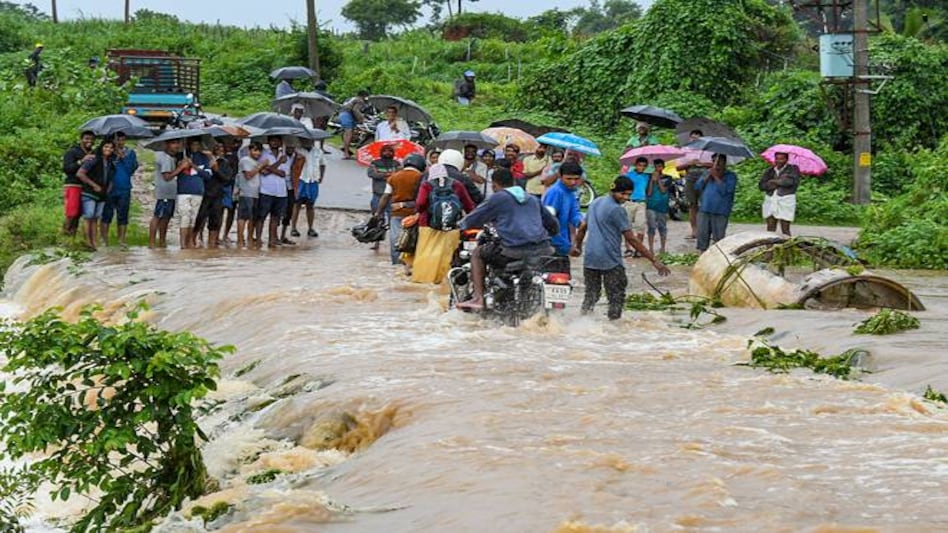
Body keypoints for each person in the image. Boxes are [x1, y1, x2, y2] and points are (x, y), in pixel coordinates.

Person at [455, 168, 560, 310]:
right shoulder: (532, 198)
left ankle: (478, 298)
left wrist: (459, 225)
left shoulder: (498, 198)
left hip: (512, 251)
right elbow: (553, 226)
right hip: (543, 250)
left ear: (494, 185)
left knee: (478, 253)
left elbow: (473, 218)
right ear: (514, 181)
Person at [571, 176, 670, 320]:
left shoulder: (595, 203)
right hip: (610, 260)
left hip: (590, 258)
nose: (626, 198)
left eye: (629, 194)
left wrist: (578, 247)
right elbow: (631, 238)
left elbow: (582, 228)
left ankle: (582, 323)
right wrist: (654, 260)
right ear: (613, 191)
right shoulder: (617, 210)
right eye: (622, 194)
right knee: (616, 297)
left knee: (591, 296)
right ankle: (614, 327)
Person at [412, 161, 476, 284]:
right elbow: (469, 205)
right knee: (448, 255)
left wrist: (421, 211)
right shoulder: (457, 184)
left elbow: (420, 203)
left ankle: (425, 280)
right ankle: (445, 281)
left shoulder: (427, 185)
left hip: (427, 225)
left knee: (426, 253)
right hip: (452, 226)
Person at [375, 153, 426, 265]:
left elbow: (385, 196)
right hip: (415, 215)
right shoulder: (421, 177)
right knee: (414, 241)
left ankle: (396, 265)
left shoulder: (393, 177)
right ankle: (411, 265)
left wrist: (378, 213)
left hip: (396, 214)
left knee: (396, 241)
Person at [542, 161, 584, 269]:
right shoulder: (555, 192)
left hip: (563, 244)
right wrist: (565, 245)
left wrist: (580, 222)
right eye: (569, 179)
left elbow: (574, 213)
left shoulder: (571, 192)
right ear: (560, 176)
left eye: (576, 179)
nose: (573, 182)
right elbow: (548, 223)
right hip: (551, 246)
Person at [75, 140, 116, 251]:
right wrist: (94, 185)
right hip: (89, 193)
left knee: (95, 218)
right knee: (88, 216)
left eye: (111, 148)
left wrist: (108, 190)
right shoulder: (93, 159)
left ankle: (94, 242)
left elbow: (111, 178)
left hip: (102, 194)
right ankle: (88, 242)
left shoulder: (111, 163)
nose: (108, 149)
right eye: (106, 146)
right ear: (101, 148)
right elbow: (80, 173)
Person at [694, 153, 738, 252]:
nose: (716, 164)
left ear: (724, 163)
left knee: (719, 237)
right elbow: (697, 187)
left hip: (721, 210)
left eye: (719, 162)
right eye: (714, 161)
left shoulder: (730, 176)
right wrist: (708, 177)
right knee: (702, 234)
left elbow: (726, 191)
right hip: (705, 208)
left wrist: (716, 177)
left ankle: (718, 255)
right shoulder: (707, 173)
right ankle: (702, 254)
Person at [100, 132, 137, 247]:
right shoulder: (108, 152)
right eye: (118, 140)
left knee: (123, 214)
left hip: (124, 187)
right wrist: (115, 157)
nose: (120, 142)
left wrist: (123, 158)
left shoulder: (130, 153)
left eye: (122, 140)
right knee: (106, 214)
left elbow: (131, 169)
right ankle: (104, 240)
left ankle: (122, 239)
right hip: (109, 188)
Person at [149, 139, 188, 249]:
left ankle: (162, 241)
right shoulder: (165, 158)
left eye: (178, 143)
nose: (177, 145)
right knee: (158, 216)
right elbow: (167, 177)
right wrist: (181, 168)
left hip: (170, 193)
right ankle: (152, 243)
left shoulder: (171, 158)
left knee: (166, 218)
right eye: (174, 143)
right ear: (167, 144)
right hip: (164, 192)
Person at [194, 143, 234, 249]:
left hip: (218, 194)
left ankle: (212, 243)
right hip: (205, 193)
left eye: (221, 148)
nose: (219, 150)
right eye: (216, 147)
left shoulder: (225, 163)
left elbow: (227, 179)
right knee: (200, 218)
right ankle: (197, 239)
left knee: (215, 220)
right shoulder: (205, 160)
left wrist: (216, 171)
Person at [177, 139, 213, 249]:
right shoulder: (180, 155)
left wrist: (193, 165)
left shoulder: (203, 158)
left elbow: (208, 176)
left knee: (193, 217)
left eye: (197, 144)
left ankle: (190, 242)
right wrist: (180, 165)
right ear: (188, 144)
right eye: (193, 143)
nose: (195, 146)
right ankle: (183, 244)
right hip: (183, 191)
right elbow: (174, 171)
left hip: (198, 191)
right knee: (184, 216)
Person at [257, 136, 289, 248]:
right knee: (261, 216)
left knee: (275, 217)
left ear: (281, 142)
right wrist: (279, 163)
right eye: (272, 140)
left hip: (281, 191)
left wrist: (269, 167)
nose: (274, 142)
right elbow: (262, 171)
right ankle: (258, 239)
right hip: (266, 190)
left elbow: (283, 174)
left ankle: (271, 241)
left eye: (277, 140)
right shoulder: (263, 154)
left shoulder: (284, 155)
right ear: (268, 141)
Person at [62, 130, 96, 237]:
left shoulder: (93, 153)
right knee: (71, 212)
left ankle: (73, 236)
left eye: (91, 139)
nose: (89, 141)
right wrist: (81, 161)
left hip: (86, 186)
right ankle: (65, 235)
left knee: (78, 213)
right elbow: (67, 168)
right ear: (81, 139)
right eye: (86, 139)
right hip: (73, 185)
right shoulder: (72, 152)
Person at [759, 151, 801, 236]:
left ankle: (787, 246)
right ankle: (770, 246)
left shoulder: (793, 169)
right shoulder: (770, 170)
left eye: (781, 159)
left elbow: (791, 182)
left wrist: (775, 181)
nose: (778, 161)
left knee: (785, 227)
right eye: (777, 158)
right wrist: (771, 185)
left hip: (785, 199)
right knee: (770, 226)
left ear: (786, 159)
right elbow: (761, 185)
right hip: (770, 199)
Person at [677, 129, 709, 240]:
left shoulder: (707, 150)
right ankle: (694, 230)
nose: (695, 139)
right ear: (689, 138)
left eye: (697, 137)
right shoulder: (685, 150)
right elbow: (678, 167)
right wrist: (690, 163)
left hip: (704, 176)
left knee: (704, 204)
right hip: (690, 176)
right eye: (693, 137)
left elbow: (714, 163)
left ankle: (704, 229)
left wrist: (702, 163)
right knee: (692, 204)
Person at [291, 139, 325, 238]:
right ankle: (293, 228)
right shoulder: (297, 151)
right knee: (297, 204)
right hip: (301, 179)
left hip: (313, 180)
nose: (308, 143)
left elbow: (323, 164)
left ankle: (310, 228)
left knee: (310, 205)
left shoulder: (318, 151)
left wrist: (321, 176)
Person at [236, 142, 265, 249]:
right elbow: (248, 175)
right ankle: (240, 239)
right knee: (243, 217)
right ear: (250, 150)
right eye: (255, 150)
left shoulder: (255, 161)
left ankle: (249, 238)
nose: (257, 153)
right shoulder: (245, 160)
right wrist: (261, 166)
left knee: (252, 217)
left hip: (255, 193)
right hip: (246, 192)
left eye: (259, 151)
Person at [279, 142, 305, 244]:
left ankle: (282, 236)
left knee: (288, 212)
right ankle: (274, 236)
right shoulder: (279, 155)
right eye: (288, 146)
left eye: (292, 146)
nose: (290, 148)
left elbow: (298, 172)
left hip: (291, 187)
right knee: (276, 212)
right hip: (279, 186)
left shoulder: (298, 157)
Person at [623, 156, 650, 255]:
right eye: (640, 165)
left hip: (641, 202)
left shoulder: (647, 177)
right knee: (627, 226)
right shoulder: (629, 175)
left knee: (641, 226)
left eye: (644, 166)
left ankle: (638, 249)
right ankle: (628, 248)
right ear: (635, 165)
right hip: (630, 201)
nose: (641, 167)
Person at [368, 143, 401, 220]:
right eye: (385, 151)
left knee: (392, 215)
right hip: (378, 193)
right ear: (381, 152)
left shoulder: (396, 164)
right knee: (376, 214)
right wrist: (387, 175)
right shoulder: (375, 163)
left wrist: (381, 174)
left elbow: (399, 175)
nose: (387, 153)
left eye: (390, 151)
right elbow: (372, 174)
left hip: (392, 195)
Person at [645, 159, 671, 255]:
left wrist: (658, 180)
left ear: (663, 167)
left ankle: (663, 248)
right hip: (651, 205)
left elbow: (663, 190)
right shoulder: (648, 177)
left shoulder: (668, 178)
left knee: (662, 227)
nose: (657, 168)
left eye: (659, 166)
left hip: (662, 206)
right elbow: (649, 193)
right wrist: (652, 181)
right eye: (655, 166)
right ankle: (651, 249)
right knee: (651, 227)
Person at [339, 90, 369, 159]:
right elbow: (355, 110)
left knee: (347, 133)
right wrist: (362, 118)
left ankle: (345, 148)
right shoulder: (360, 100)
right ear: (364, 96)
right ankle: (346, 153)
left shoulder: (351, 98)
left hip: (341, 114)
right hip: (347, 115)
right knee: (349, 134)